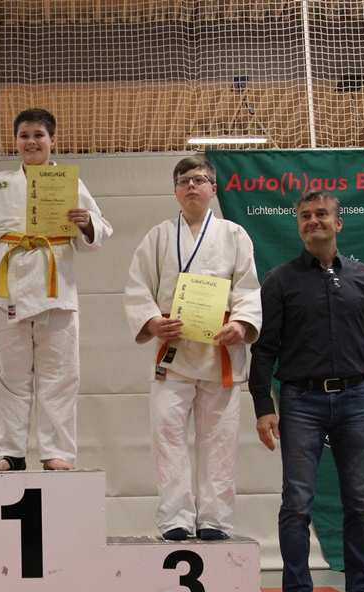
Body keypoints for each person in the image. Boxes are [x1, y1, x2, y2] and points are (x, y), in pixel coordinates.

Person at [249, 190, 364, 592]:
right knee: (297, 501)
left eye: (321, 214)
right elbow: (263, 350)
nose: (313, 220)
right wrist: (263, 406)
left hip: (356, 399)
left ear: (338, 223)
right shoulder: (279, 280)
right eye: (305, 216)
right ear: (298, 225)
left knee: (361, 500)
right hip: (300, 401)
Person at [0, 108, 112, 472]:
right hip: (8, 289)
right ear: (15, 142)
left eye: (38, 135)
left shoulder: (69, 184)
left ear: (52, 141)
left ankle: (57, 452)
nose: (31, 142)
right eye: (24, 135)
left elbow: (100, 233)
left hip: (55, 289)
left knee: (60, 376)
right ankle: (10, 452)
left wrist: (87, 223)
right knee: (8, 376)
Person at [124, 156, 261, 542]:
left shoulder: (234, 235)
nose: (191, 186)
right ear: (175, 191)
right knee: (167, 435)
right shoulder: (158, 236)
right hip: (174, 351)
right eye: (184, 181)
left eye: (199, 180)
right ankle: (175, 518)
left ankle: (215, 518)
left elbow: (249, 287)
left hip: (220, 350)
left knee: (220, 438)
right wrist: (151, 321)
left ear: (213, 189)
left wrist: (241, 324)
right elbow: (137, 286)